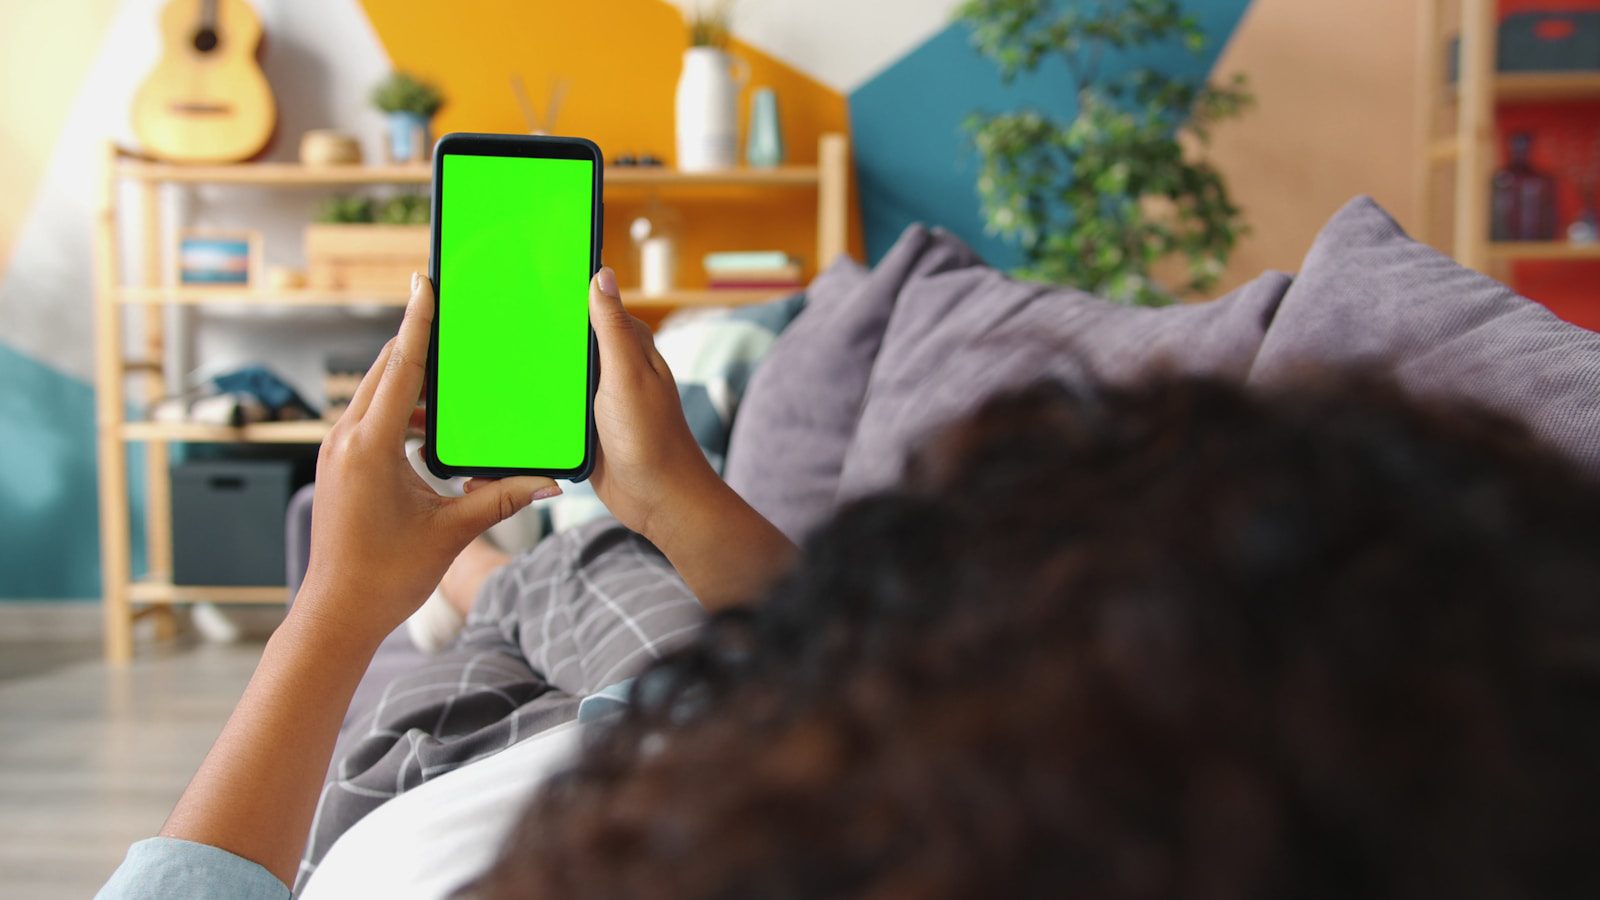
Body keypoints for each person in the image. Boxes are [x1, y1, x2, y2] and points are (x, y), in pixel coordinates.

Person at [100, 269, 1600, 898]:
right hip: (696, 698)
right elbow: (863, 661)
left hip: (450, 768)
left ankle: (469, 582)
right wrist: (683, 492)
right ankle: (504, 564)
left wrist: (340, 603)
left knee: (529, 602)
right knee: (608, 567)